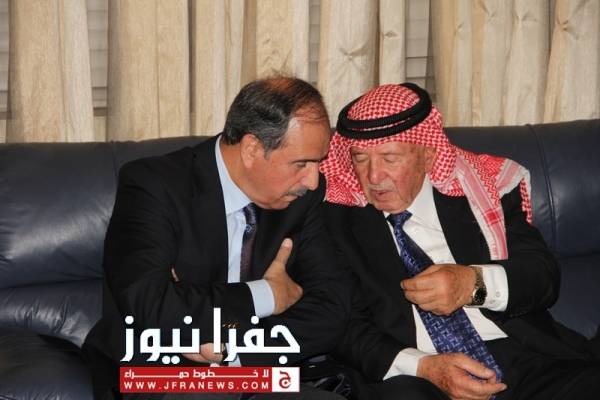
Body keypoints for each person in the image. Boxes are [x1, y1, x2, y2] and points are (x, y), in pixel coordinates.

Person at [320, 83, 600, 400]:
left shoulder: (485, 189)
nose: (373, 177)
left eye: (390, 158)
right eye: (360, 159)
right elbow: (340, 323)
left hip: (522, 357)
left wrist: (472, 284)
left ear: (428, 155)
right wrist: (422, 367)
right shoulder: (332, 219)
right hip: (416, 375)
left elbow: (542, 277)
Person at [83, 77, 349, 399]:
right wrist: (267, 294)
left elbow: (332, 308)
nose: (313, 180)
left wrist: (234, 350)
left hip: (259, 373)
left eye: (318, 162)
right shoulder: (155, 186)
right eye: (301, 163)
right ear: (252, 149)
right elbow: (150, 304)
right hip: (161, 374)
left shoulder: (301, 199)